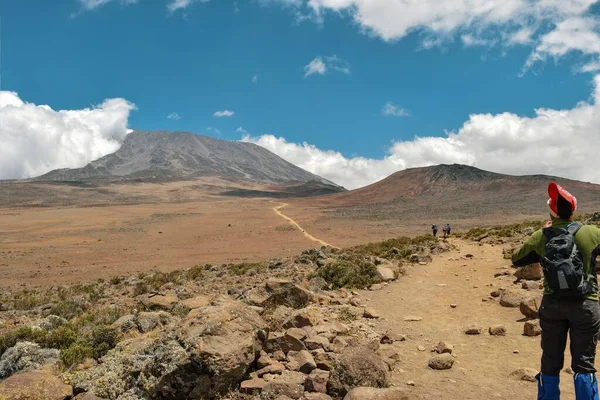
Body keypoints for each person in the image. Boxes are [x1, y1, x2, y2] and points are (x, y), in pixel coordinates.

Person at [512, 182, 600, 400]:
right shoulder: (591, 232)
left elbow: (516, 258)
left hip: (553, 304)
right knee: (584, 363)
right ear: (574, 211)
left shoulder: (542, 235)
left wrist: (543, 235)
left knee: (550, 360)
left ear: (552, 211)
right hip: (586, 304)